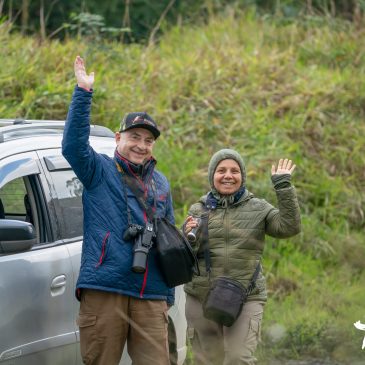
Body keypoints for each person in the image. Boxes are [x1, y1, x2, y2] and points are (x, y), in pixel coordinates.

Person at [62, 56, 175, 365]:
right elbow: (72, 147)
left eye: (148, 140)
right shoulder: (98, 169)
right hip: (104, 286)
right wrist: (83, 93)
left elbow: (169, 243)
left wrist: (168, 298)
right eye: (134, 137)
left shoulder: (161, 183)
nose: (141, 145)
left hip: (151, 292)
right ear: (117, 138)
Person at [183, 149, 301, 365]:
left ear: (242, 176)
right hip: (201, 296)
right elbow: (187, 255)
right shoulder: (198, 209)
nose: (228, 175)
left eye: (234, 171)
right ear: (212, 176)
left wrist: (283, 186)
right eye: (221, 170)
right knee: (207, 360)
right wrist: (187, 237)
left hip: (246, 295)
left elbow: (288, 227)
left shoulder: (259, 208)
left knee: (238, 358)